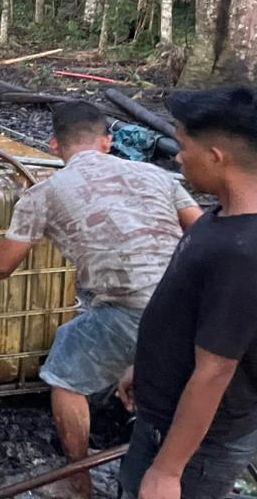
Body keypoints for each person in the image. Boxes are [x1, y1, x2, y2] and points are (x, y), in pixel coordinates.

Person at [0, 100, 201, 498]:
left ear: (54, 146)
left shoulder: (44, 194)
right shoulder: (156, 175)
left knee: (65, 373)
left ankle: (78, 478)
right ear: (107, 142)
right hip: (193, 304)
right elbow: (200, 231)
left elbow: (2, 265)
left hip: (131, 309)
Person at [116, 87, 257, 499]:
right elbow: (187, 312)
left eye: (183, 147)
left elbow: (216, 371)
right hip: (167, 416)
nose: (178, 158)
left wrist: (167, 470)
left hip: (197, 445)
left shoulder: (243, 252)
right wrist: (145, 367)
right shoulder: (222, 218)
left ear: (216, 157)